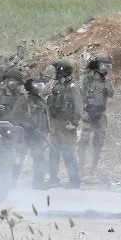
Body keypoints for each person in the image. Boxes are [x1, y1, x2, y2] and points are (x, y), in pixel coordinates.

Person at [45, 59, 83, 189]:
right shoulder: (57, 86)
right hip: (55, 124)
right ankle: (53, 179)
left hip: (66, 125)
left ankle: (74, 181)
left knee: (68, 153)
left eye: (56, 70)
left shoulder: (72, 87)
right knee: (54, 152)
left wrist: (74, 123)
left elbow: (79, 107)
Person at [77, 53, 115, 179]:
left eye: (108, 67)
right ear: (97, 66)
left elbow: (111, 94)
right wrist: (83, 112)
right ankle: (81, 168)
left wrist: (106, 83)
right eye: (103, 66)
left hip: (100, 114)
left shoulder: (106, 81)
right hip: (88, 114)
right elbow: (80, 96)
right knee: (83, 141)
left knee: (99, 142)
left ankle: (93, 169)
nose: (106, 69)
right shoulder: (87, 80)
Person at [10, 79, 50, 190]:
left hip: (38, 135)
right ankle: (12, 182)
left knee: (39, 158)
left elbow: (45, 117)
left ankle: (39, 183)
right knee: (18, 157)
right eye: (37, 86)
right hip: (24, 135)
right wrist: (26, 125)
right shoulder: (23, 100)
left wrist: (46, 131)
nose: (39, 88)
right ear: (31, 87)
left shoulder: (41, 101)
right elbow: (14, 117)